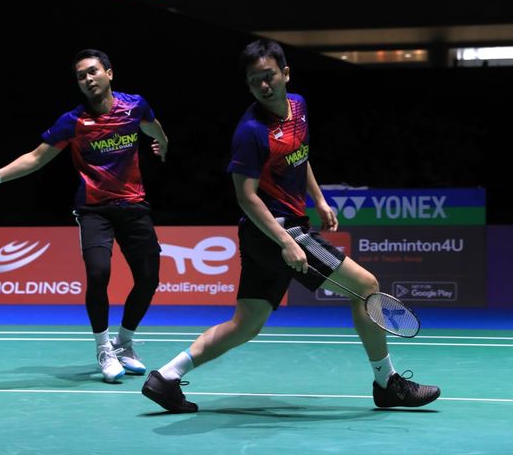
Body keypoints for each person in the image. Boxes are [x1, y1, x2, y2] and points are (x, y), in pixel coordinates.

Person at [141, 38, 440, 412]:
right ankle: (387, 384)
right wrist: (285, 241)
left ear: (285, 74)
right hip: (275, 230)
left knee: (246, 323)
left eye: (268, 76)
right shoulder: (250, 132)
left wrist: (319, 198)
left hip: (272, 232)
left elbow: (300, 157)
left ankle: (166, 377)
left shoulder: (298, 107)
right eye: (254, 81)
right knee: (367, 287)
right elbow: (245, 196)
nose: (263, 86)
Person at [0, 49, 168, 383]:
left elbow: (153, 126)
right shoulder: (72, 121)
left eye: (93, 72)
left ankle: (125, 343)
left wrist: (163, 143)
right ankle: (104, 348)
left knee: (149, 279)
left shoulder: (135, 106)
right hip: (93, 208)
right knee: (99, 273)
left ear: (109, 73)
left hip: (133, 205)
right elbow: (36, 158)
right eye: (81, 76)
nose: (88, 79)